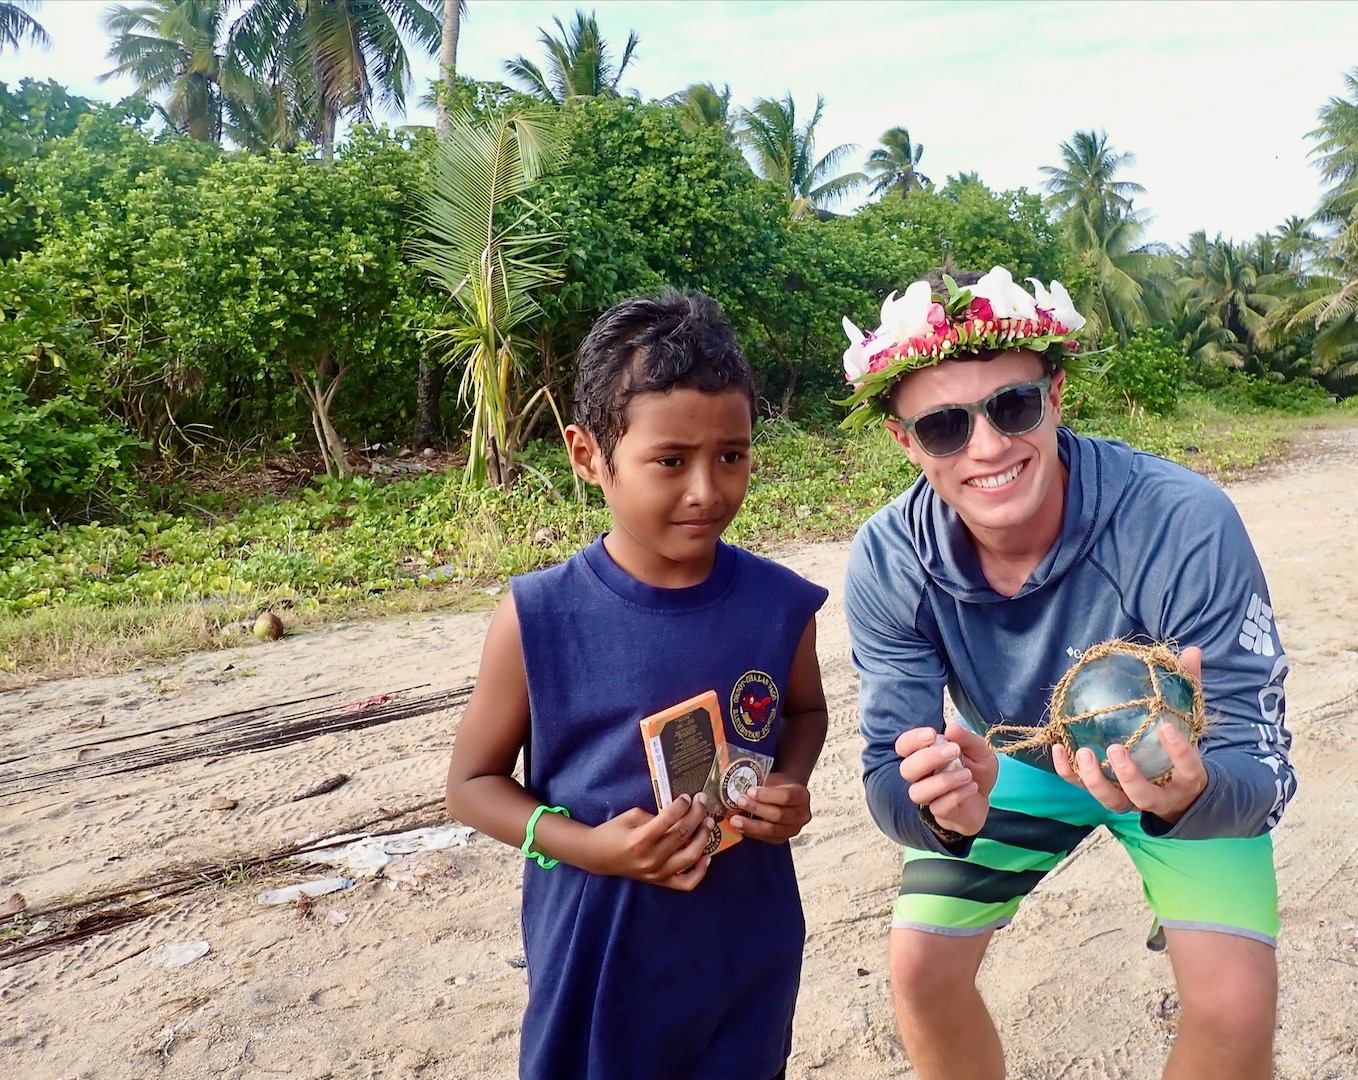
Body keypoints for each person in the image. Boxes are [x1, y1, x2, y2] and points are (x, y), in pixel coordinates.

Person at [840, 267, 1297, 1080]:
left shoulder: (1178, 519)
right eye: (944, 428)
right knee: (919, 969)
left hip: (1177, 764)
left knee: (1234, 1008)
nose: (986, 448)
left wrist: (1191, 793)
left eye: (1011, 407)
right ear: (904, 443)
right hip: (1012, 764)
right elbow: (887, 771)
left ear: (1055, 396)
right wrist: (943, 808)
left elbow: (1257, 756)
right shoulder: (889, 557)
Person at [446, 290, 830, 1080]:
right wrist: (589, 847)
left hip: (744, 946)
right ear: (587, 455)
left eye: (732, 454)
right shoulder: (538, 617)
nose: (706, 488)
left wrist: (787, 784)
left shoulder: (781, 605)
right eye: (669, 460)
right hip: (599, 953)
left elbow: (804, 711)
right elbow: (471, 785)